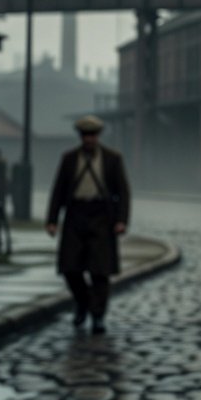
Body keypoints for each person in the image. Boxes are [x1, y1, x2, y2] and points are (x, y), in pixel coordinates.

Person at [46, 115, 131, 335]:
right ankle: (82, 303)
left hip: (102, 216)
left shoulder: (112, 159)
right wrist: (52, 220)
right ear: (80, 136)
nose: (89, 139)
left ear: (98, 136)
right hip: (75, 214)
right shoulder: (69, 159)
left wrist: (121, 220)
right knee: (70, 268)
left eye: (92, 135)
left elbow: (123, 191)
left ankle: (98, 315)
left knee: (99, 270)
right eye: (85, 135)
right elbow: (58, 190)